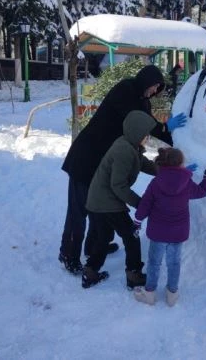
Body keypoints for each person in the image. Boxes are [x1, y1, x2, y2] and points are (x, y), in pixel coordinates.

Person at [59, 64, 188, 275]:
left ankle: (93, 247)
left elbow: (149, 129)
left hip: (105, 161)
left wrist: (174, 145)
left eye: (158, 89)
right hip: (86, 157)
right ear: (146, 80)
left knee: (98, 207)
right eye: (155, 86)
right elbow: (137, 120)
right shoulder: (125, 90)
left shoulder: (143, 102)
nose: (155, 91)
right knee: (79, 211)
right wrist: (164, 127)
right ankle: (68, 254)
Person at [82, 110, 159, 289]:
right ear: (136, 132)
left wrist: (161, 170)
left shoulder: (130, 145)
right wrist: (141, 204)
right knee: (131, 236)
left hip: (97, 199)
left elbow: (141, 163)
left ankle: (90, 272)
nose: (148, 137)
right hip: (106, 201)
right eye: (145, 134)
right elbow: (118, 186)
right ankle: (134, 274)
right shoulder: (124, 150)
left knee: (102, 238)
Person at [132, 148, 206, 306]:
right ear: (180, 163)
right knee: (174, 263)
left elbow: (145, 204)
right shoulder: (186, 182)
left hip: (158, 232)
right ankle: (172, 294)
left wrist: (137, 221)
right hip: (178, 232)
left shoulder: (156, 182)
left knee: (154, 263)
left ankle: (149, 293)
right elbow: (201, 192)